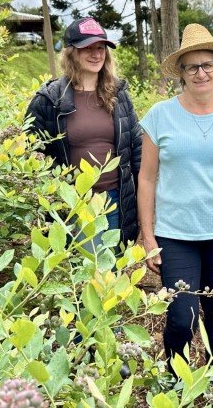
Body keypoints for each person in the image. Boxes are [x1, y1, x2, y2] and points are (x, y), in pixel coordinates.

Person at [137, 24, 213, 365]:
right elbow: (146, 179)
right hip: (176, 235)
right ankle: (176, 385)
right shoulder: (159, 115)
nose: (201, 72)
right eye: (192, 66)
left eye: (208, 65)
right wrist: (148, 236)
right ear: (182, 72)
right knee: (181, 316)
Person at [25, 17, 141, 251]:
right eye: (87, 48)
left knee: (110, 270)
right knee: (88, 272)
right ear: (71, 53)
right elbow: (31, 155)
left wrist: (141, 199)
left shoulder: (119, 95)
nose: (96, 54)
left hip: (115, 200)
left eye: (100, 48)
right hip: (74, 201)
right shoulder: (48, 101)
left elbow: (135, 147)